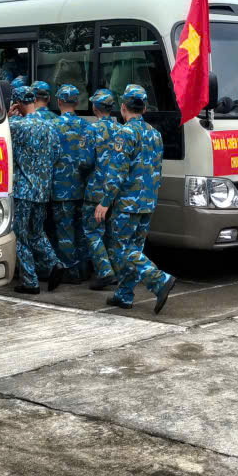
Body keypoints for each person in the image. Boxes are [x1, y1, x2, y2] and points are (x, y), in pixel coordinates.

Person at [95, 85, 176, 313]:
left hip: (127, 203)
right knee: (135, 249)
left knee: (121, 249)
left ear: (123, 107)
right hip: (147, 202)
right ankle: (124, 294)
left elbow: (117, 171)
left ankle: (159, 280)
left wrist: (105, 201)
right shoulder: (155, 133)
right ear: (145, 108)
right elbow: (157, 169)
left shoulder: (125, 133)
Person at [7, 85, 65, 294]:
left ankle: (30, 282)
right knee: (37, 233)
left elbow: (2, 139)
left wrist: (9, 115)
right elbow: (57, 155)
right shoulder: (50, 126)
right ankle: (54, 262)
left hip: (23, 191)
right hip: (42, 191)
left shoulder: (16, 125)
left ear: (17, 103)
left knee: (20, 237)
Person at [49, 84, 92, 281]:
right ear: (76, 103)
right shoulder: (87, 127)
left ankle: (70, 272)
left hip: (61, 190)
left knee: (64, 231)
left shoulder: (53, 127)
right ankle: (84, 270)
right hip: (83, 189)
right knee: (81, 230)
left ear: (58, 102)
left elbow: (48, 159)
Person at [84, 89, 122, 290]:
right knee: (110, 233)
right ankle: (116, 271)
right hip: (115, 189)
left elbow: (85, 160)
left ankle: (105, 272)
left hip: (96, 190)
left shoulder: (92, 130)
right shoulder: (121, 128)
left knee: (92, 231)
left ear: (95, 107)